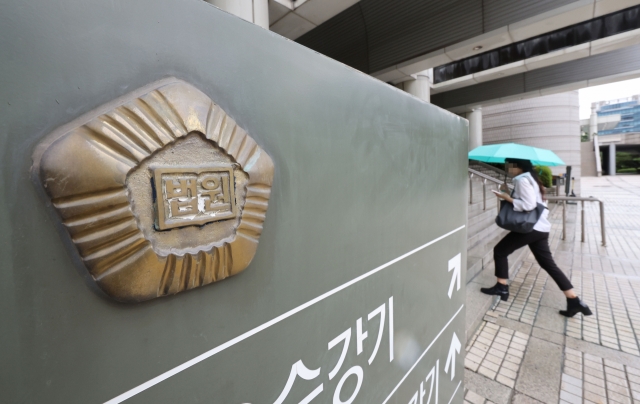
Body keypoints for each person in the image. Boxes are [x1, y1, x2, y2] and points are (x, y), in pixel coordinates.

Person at [480, 158, 592, 318]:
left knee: (500, 251)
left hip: (530, 228)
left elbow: (528, 205)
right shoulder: (532, 179)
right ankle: (574, 300)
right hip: (540, 228)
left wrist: (507, 198)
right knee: (548, 264)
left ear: (518, 166)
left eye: (509, 166)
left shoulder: (521, 179)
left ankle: (502, 287)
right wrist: (509, 192)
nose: (508, 169)